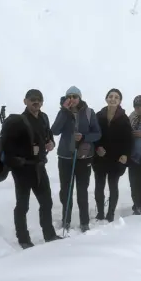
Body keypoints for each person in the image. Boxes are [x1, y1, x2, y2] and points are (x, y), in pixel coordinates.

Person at [0, 89, 59, 248]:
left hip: (39, 167)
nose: (36, 102)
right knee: (23, 205)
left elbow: (49, 135)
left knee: (46, 202)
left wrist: (51, 143)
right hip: (22, 169)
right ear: (25, 101)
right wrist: (28, 151)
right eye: (32, 99)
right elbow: (8, 148)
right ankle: (23, 239)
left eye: (39, 99)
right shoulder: (18, 121)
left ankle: (50, 235)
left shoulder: (44, 118)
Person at [51, 86, 102, 230]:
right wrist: (64, 111)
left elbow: (97, 133)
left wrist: (84, 137)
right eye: (69, 96)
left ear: (80, 98)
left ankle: (84, 222)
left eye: (75, 96)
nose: (72, 99)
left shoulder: (88, 112)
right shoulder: (63, 112)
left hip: (84, 157)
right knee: (66, 190)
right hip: (65, 157)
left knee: (82, 190)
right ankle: (65, 220)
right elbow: (54, 131)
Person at [94, 89, 132, 222]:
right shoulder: (98, 116)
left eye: (116, 97)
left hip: (116, 159)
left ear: (120, 101)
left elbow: (129, 139)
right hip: (100, 158)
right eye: (110, 96)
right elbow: (93, 135)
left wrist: (126, 155)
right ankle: (100, 213)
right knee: (99, 186)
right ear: (106, 99)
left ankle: (110, 214)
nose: (113, 99)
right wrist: (97, 147)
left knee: (113, 186)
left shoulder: (124, 118)